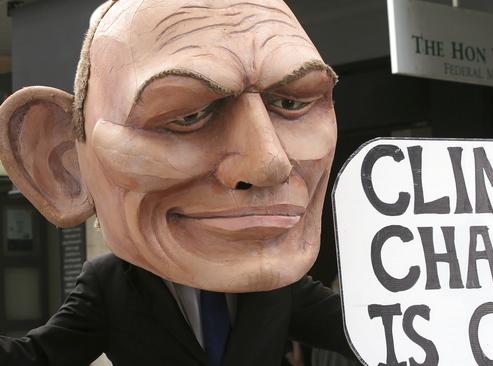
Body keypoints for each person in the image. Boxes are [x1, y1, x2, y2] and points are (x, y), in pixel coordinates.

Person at [0, 0, 352, 365]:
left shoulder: (279, 283)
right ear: (66, 166)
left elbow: (371, 332)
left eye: (290, 104)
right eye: (188, 116)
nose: (268, 164)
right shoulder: (111, 284)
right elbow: (39, 356)